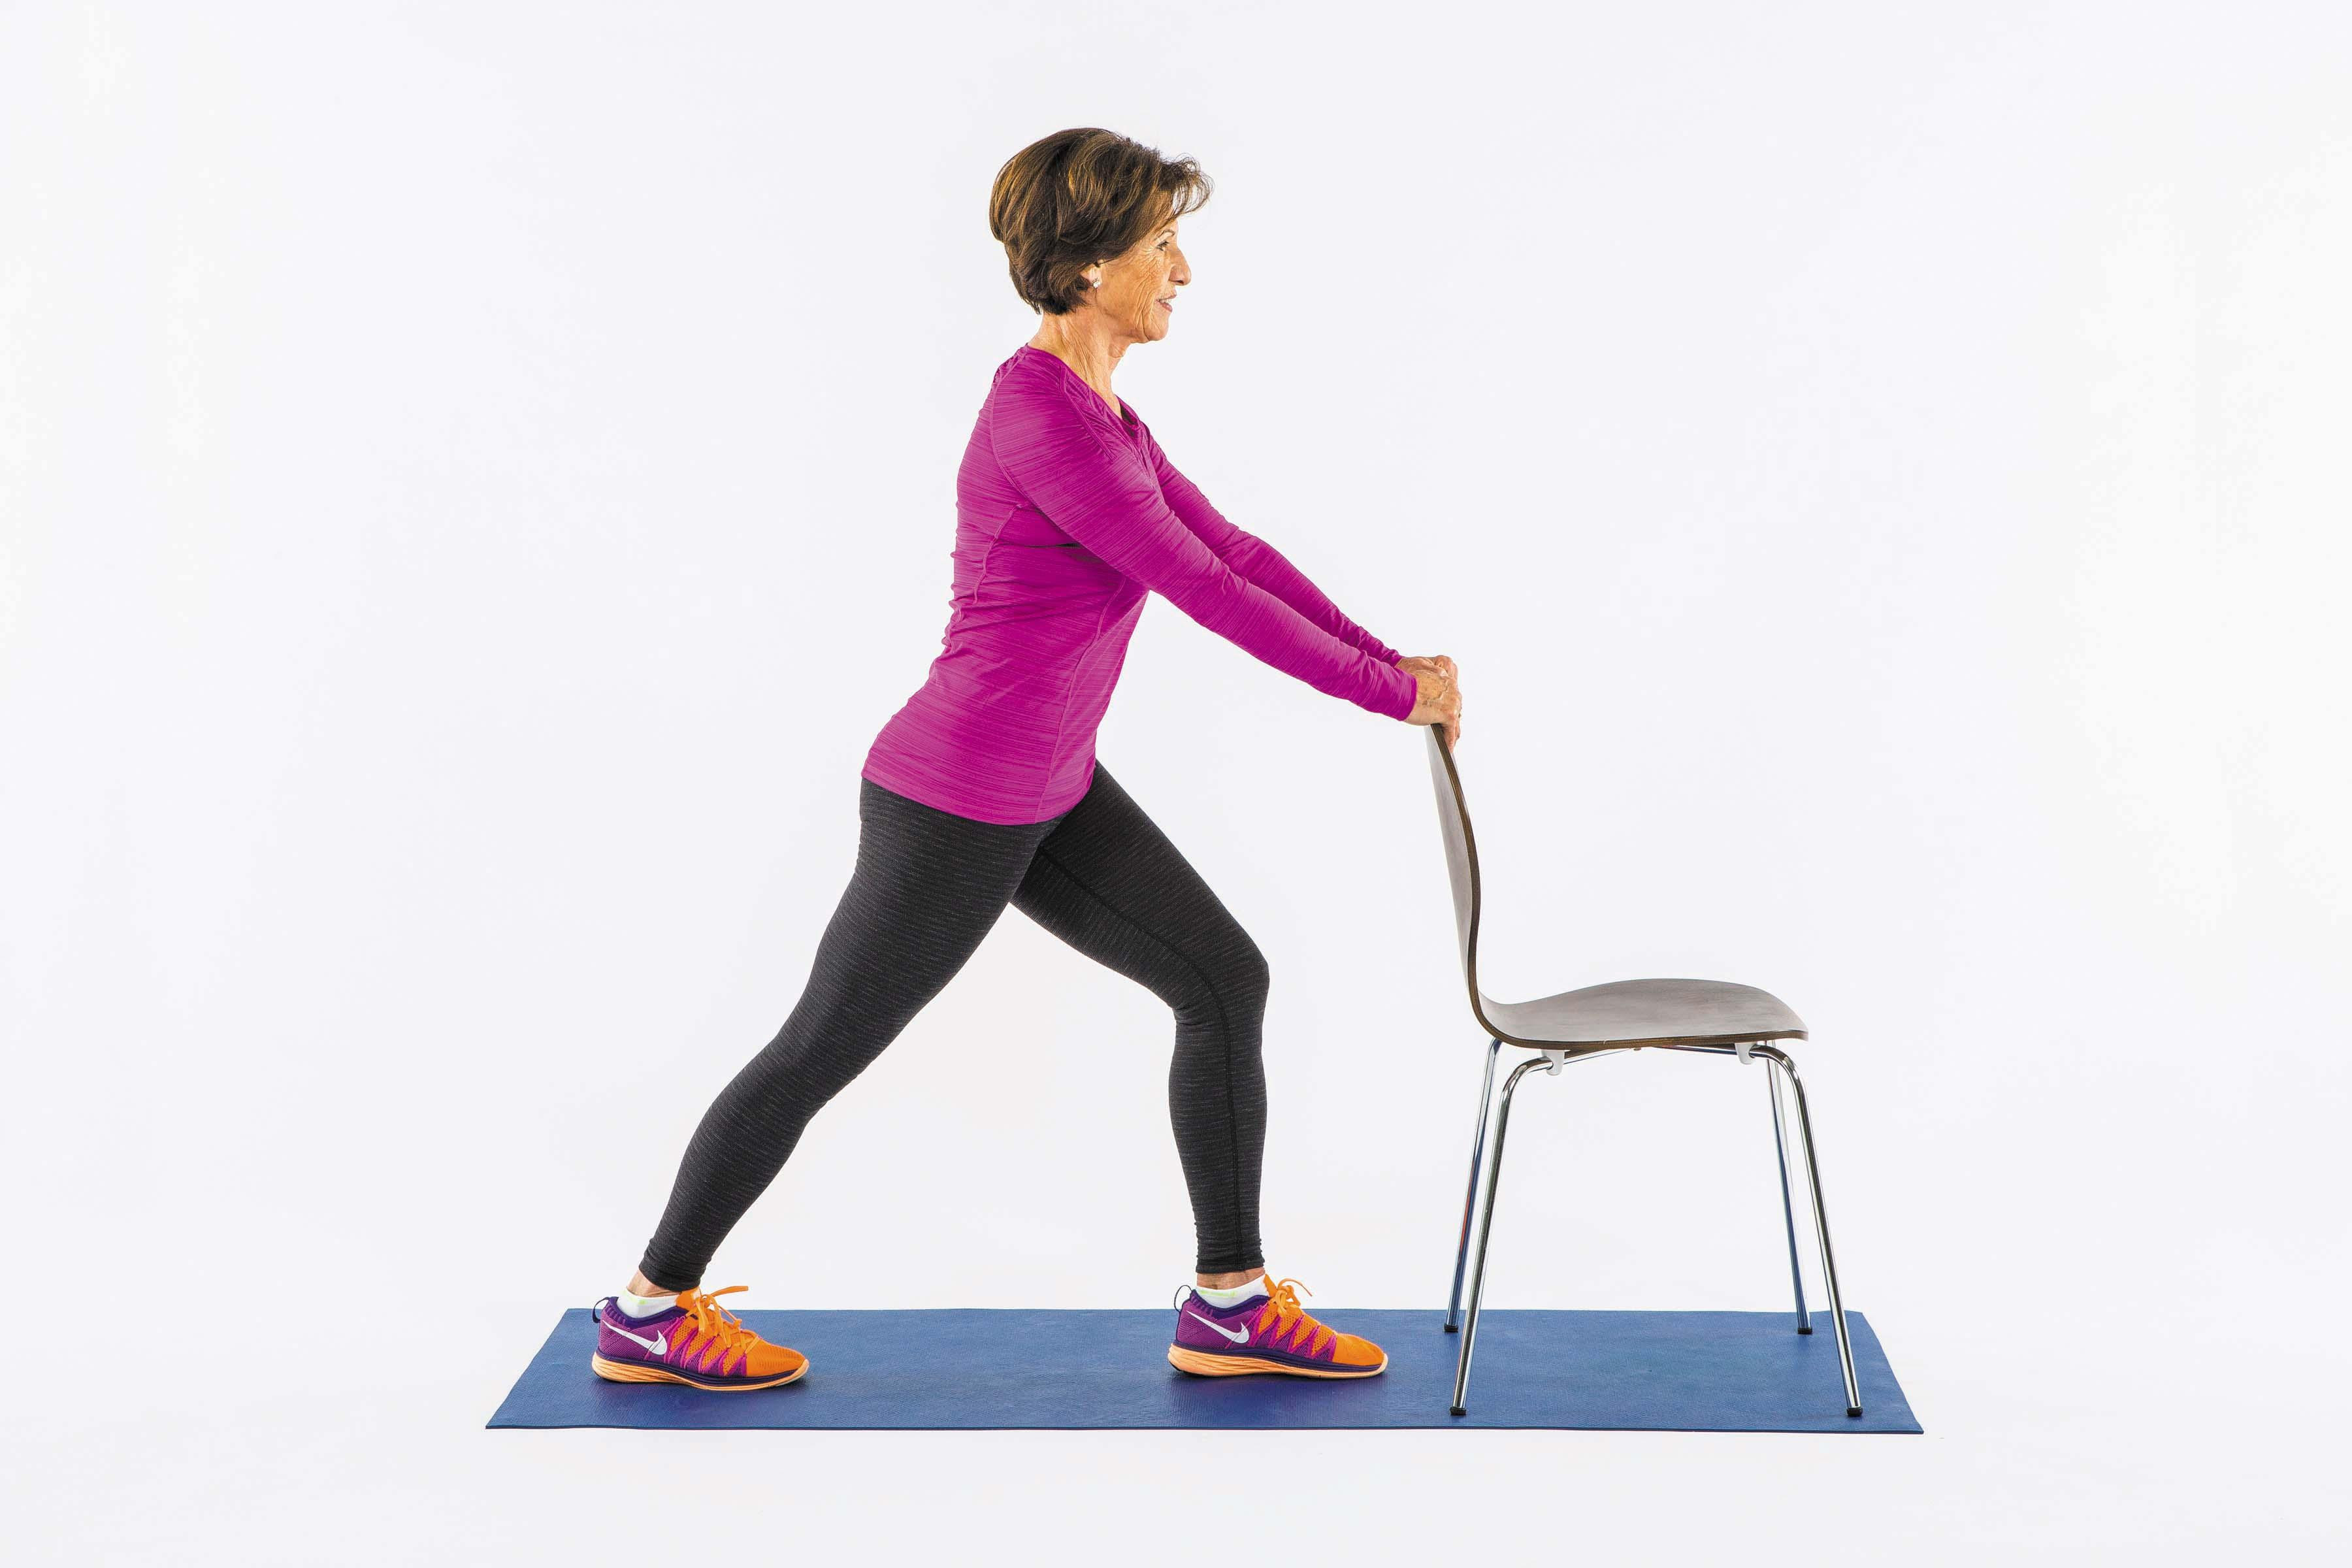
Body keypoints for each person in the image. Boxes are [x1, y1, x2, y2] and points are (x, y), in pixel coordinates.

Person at [588, 127, 1463, 1392]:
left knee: (1223, 980)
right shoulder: (1043, 420)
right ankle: (651, 1309)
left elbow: (1243, 555)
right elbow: (1208, 595)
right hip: (956, 802)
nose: (1183, 271)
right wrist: (1393, 698)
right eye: (1164, 244)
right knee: (821, 1046)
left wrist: (1397, 661)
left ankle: (1228, 1301)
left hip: (1048, 788)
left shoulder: (1103, 413)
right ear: (1092, 261)